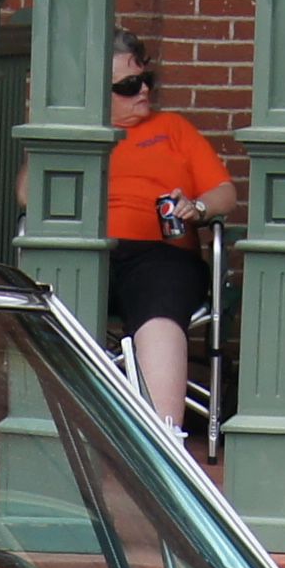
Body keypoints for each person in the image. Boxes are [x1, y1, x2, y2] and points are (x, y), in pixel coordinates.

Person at [96, 30, 234, 433]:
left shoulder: (173, 128)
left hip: (162, 251)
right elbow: (25, 195)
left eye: (146, 81)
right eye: (127, 85)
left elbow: (225, 192)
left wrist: (199, 207)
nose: (143, 91)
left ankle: (163, 436)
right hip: (90, 248)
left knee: (158, 306)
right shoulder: (82, 136)